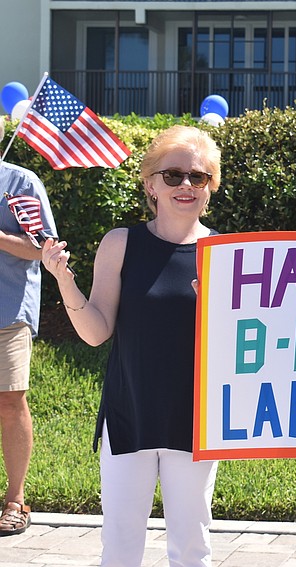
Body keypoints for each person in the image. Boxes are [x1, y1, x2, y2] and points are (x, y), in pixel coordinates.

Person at [41, 125, 221, 566]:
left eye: (197, 177)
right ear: (150, 184)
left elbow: (242, 350)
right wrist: (65, 280)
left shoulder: (224, 252)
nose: (185, 185)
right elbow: (96, 331)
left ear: (210, 187)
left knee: (192, 546)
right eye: (172, 174)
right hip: (128, 415)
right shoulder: (120, 243)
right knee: (120, 546)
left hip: (195, 421)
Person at [0, 162, 58, 536]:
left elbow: (42, 248)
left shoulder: (19, 182)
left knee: (9, 400)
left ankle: (15, 500)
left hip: (7, 311)